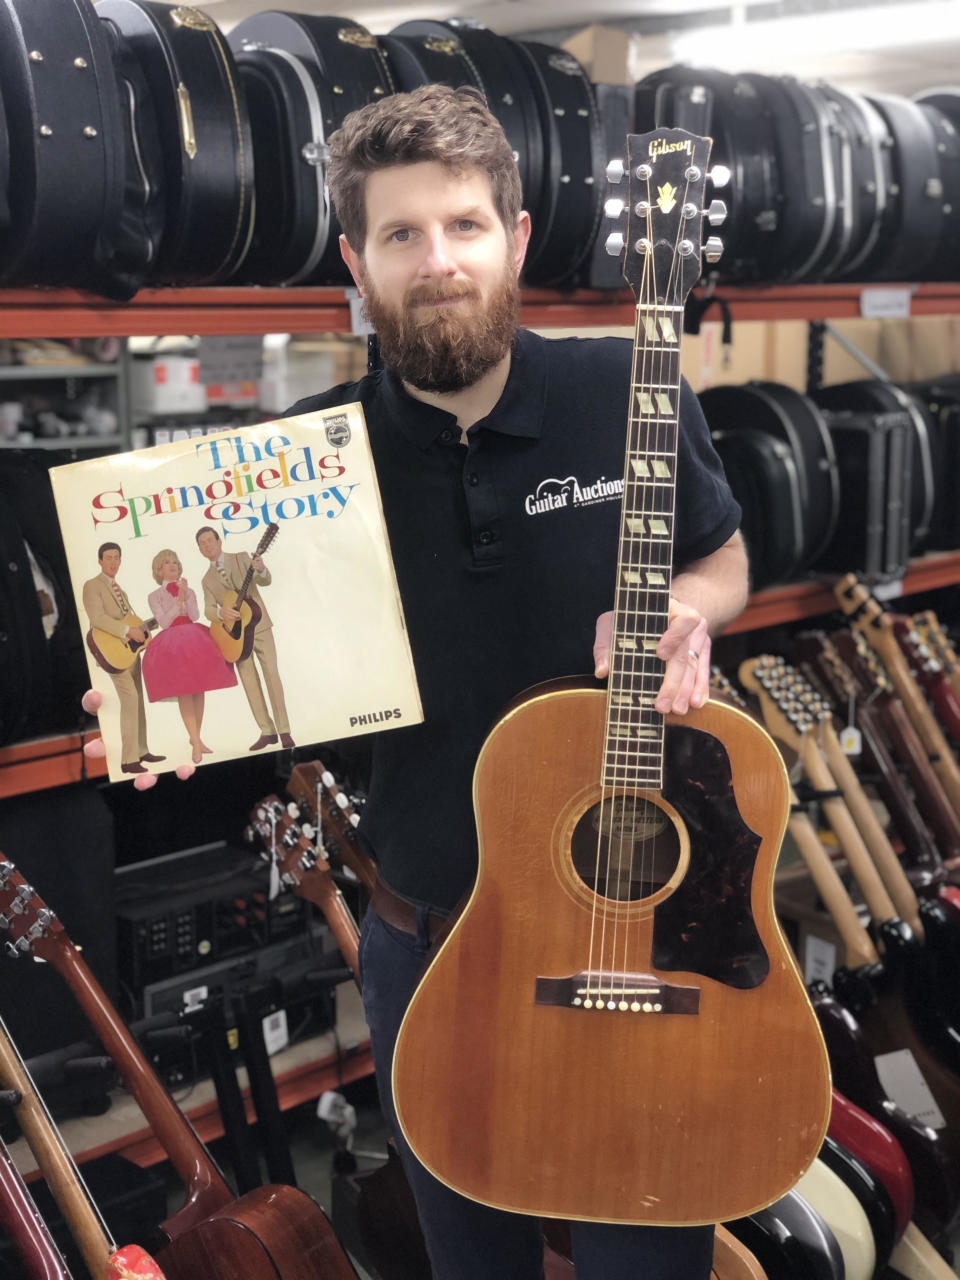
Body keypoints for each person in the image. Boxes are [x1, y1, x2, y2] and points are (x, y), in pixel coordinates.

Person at [85, 83, 750, 1276]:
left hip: (636, 936)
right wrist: (139, 694)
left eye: (463, 226)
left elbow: (723, 552)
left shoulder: (623, 394)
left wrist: (690, 612)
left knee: (649, 1255)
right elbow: (235, 670)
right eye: (400, 234)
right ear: (356, 257)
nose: (436, 261)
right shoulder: (303, 468)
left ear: (519, 238)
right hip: (429, 949)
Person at [194, 526, 294, 752]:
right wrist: (221, 613)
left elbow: (264, 581)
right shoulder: (206, 580)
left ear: (220, 542)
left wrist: (261, 569)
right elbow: (209, 609)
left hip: (259, 627)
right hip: (235, 636)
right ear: (199, 549)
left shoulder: (241, 558)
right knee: (249, 681)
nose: (207, 545)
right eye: (202, 543)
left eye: (210, 540)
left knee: (272, 676)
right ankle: (267, 731)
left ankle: (284, 730)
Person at [141, 548, 237, 764]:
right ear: (159, 569)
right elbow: (164, 622)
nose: (172, 565)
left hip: (194, 639)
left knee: (198, 688)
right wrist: (177, 602)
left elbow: (194, 615)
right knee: (184, 690)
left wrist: (186, 596)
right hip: (172, 644)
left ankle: (197, 738)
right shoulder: (154, 596)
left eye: (175, 561)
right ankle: (195, 741)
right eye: (167, 562)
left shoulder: (190, 590)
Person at [81, 542, 164, 776]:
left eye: (117, 557)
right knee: (130, 700)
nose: (113, 562)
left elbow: (131, 621)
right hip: (112, 653)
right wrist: (127, 632)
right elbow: (97, 618)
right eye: (109, 558)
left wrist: (141, 633)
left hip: (129, 652)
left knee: (137, 700)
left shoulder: (121, 590)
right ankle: (128, 760)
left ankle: (141, 750)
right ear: (99, 560)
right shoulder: (92, 586)